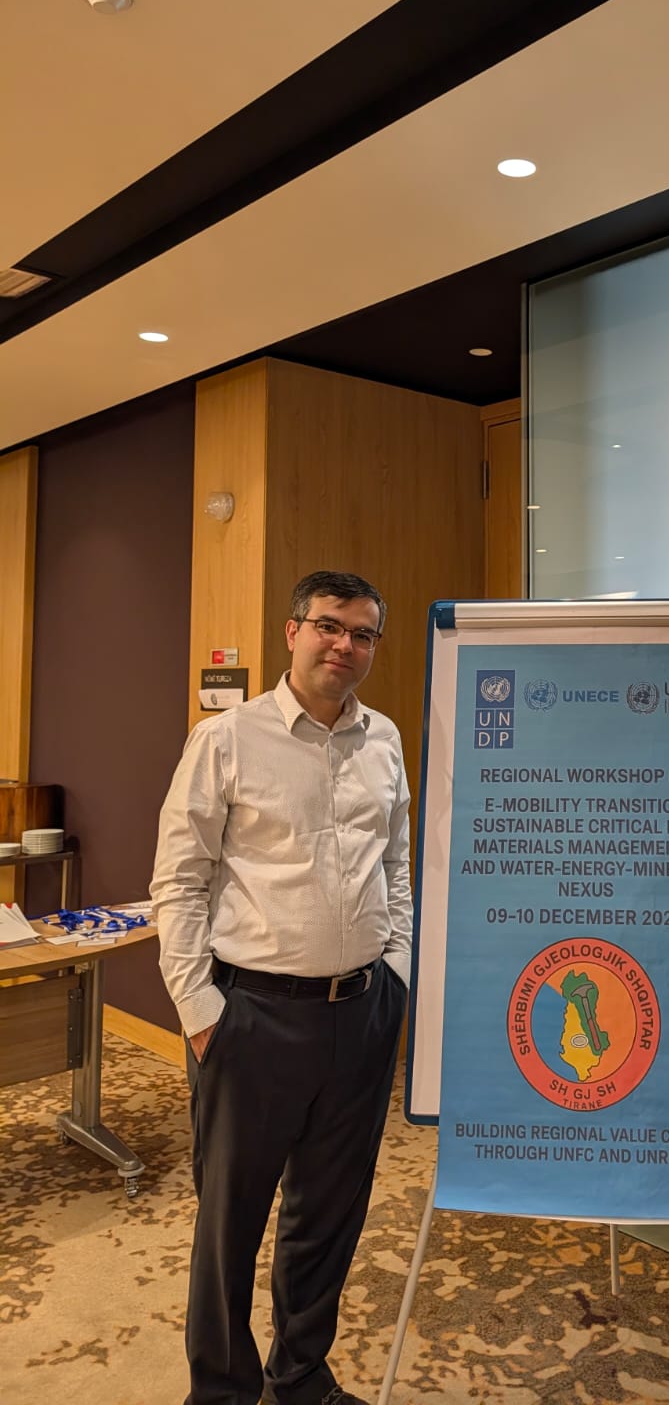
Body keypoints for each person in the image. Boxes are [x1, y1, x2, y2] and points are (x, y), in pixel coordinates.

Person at [151, 570, 413, 1405]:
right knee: (230, 1223)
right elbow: (180, 881)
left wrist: (396, 969)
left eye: (364, 633)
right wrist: (200, 1013)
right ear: (292, 632)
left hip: (362, 1015)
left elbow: (396, 863)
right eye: (331, 626)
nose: (346, 645)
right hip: (252, 1019)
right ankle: (221, 1390)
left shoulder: (385, 739)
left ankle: (300, 1377)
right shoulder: (226, 738)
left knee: (329, 1217)